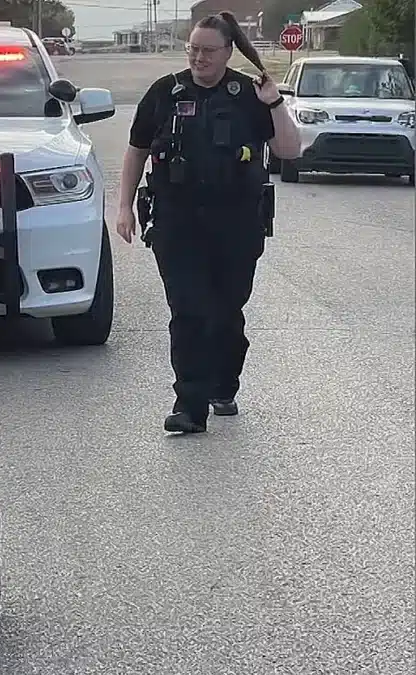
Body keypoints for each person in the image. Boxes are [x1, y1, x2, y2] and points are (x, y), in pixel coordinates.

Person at [115, 11, 302, 434]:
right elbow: (136, 150)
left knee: (225, 312)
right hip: (177, 224)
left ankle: (224, 383)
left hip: (236, 224)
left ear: (227, 52)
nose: (198, 58)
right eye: (193, 49)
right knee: (188, 311)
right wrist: (124, 206)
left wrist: (274, 103)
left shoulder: (248, 95)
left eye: (207, 51)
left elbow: (290, 150)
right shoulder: (165, 92)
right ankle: (189, 405)